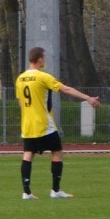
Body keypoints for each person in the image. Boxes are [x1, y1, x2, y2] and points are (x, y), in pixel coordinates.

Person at [15, 47, 100, 199]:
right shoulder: (43, 77)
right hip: (43, 124)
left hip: (27, 124)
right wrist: (88, 98)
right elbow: (65, 89)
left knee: (28, 154)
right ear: (40, 59)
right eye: (44, 58)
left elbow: (21, 103)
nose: (45, 60)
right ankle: (55, 190)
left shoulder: (20, 79)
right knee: (57, 152)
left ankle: (26, 192)